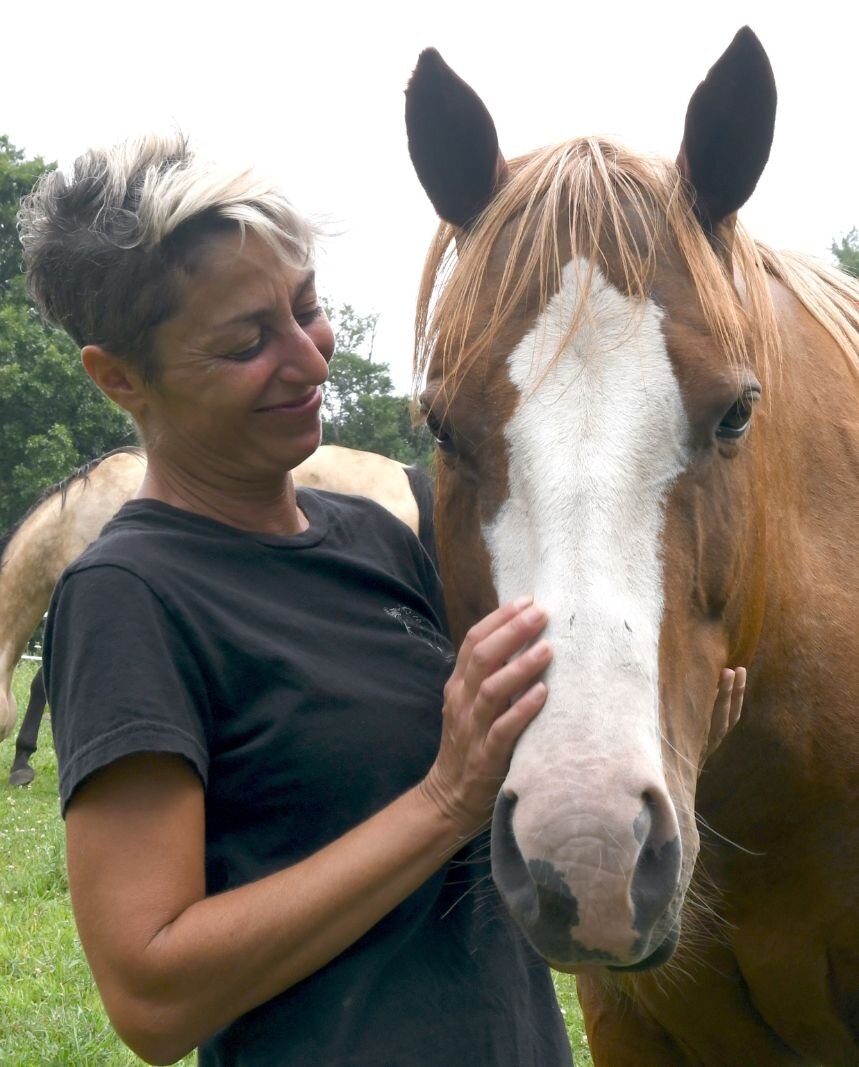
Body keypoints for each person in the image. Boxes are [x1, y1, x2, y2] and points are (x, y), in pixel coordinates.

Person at [19, 135, 745, 1067]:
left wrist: (663, 754)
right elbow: (152, 996)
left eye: (307, 309)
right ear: (118, 377)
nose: (311, 360)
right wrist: (443, 798)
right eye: (247, 343)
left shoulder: (382, 541)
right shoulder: (129, 594)